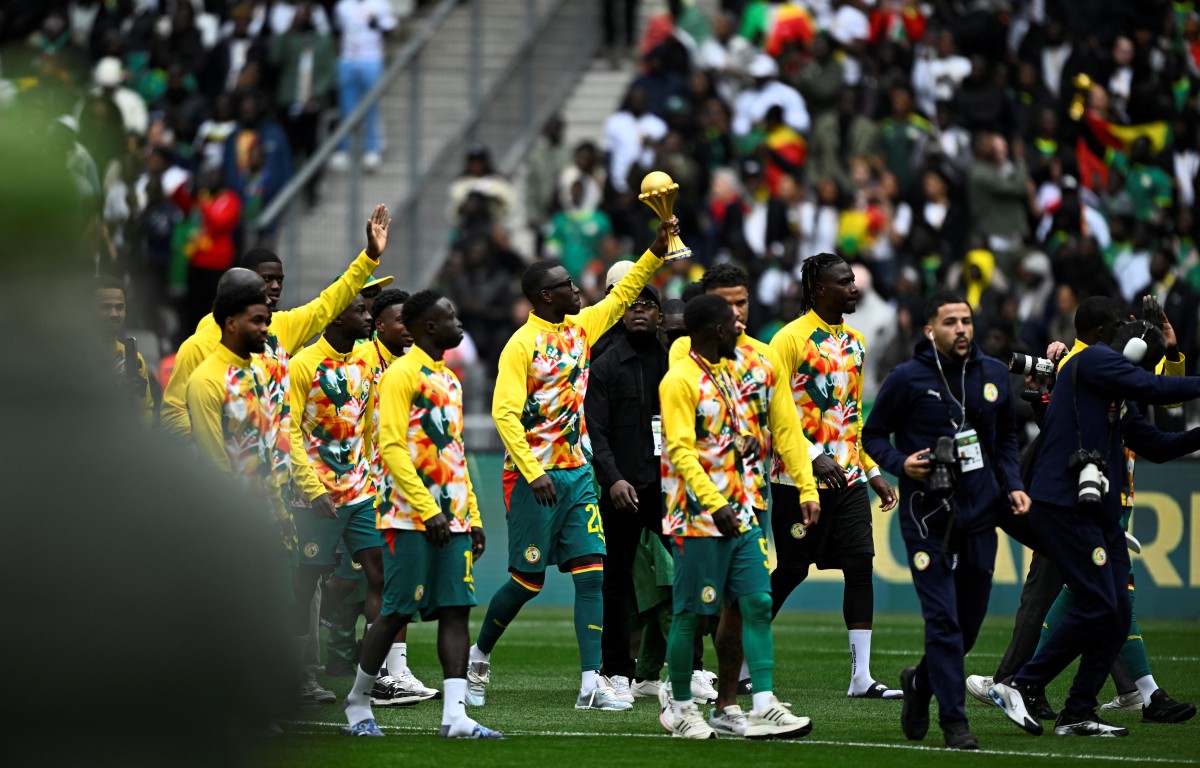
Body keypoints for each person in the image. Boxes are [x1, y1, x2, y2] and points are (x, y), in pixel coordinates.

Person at [466, 219, 675, 711]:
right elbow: (504, 413)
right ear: (544, 296)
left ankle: (590, 683)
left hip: (578, 473)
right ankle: (478, 655)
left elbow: (621, 297)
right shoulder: (521, 345)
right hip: (533, 477)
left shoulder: (580, 328)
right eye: (565, 285)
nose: (577, 289)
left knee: (593, 574)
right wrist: (533, 472)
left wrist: (655, 250)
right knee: (526, 582)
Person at [966, 296, 1192, 723]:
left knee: (1107, 603)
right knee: (1077, 598)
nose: (1130, 328)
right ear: (1103, 332)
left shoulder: (1114, 372)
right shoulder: (1088, 361)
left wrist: (1171, 350)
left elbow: (1156, 413)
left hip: (1105, 500)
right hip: (1069, 500)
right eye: (1122, 323)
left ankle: (1089, 701)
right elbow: (1151, 388)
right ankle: (1016, 683)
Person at [861, 291, 1030, 750]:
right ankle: (954, 724)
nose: (961, 329)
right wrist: (900, 462)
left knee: (967, 628)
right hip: (925, 519)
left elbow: (1006, 439)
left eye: (967, 321)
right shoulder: (906, 378)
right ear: (929, 329)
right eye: (950, 321)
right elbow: (872, 435)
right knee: (944, 624)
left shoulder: (993, 374)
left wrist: (1012, 483)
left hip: (980, 515)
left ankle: (918, 685)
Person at [666, 263, 822, 732]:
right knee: (697, 610)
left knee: (750, 604)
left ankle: (740, 705)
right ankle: (679, 705)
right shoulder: (683, 357)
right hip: (698, 508)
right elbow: (689, 434)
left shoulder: (763, 358)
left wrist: (806, 485)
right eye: (725, 305)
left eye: (742, 303)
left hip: (749, 501)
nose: (736, 314)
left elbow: (787, 429)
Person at [340, 290, 501, 739]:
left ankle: (455, 716)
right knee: (395, 612)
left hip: (451, 520)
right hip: (409, 519)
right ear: (428, 327)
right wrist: (429, 509)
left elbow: (454, 452)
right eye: (450, 315)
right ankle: (357, 705)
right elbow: (390, 446)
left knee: (456, 610)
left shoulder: (449, 379)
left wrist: (472, 516)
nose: (459, 321)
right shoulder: (400, 376)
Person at [768, 253, 899, 699]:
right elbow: (769, 407)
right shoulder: (788, 340)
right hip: (795, 480)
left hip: (849, 479)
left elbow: (851, 418)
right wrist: (810, 454)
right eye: (844, 282)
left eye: (853, 280)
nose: (854, 287)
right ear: (819, 289)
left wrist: (872, 470)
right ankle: (741, 658)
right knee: (791, 569)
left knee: (861, 567)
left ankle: (861, 677)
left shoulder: (856, 342)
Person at [289, 293, 425, 707]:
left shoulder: (366, 360)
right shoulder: (302, 365)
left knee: (381, 573)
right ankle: (296, 676)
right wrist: (311, 488)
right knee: (304, 584)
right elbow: (288, 430)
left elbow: (368, 423)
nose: (368, 319)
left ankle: (380, 676)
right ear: (334, 317)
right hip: (313, 498)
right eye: (361, 312)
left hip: (362, 490)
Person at [162, 205, 391, 440]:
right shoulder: (197, 345)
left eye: (279, 280)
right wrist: (216, 444)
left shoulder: (281, 326)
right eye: (266, 279)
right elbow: (173, 413)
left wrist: (369, 257)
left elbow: (328, 304)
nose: (274, 287)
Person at [584, 284, 670, 704]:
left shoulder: (675, 363)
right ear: (621, 314)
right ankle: (617, 671)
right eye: (632, 306)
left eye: (648, 306)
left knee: (689, 574)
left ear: (660, 316)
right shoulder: (604, 365)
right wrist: (613, 479)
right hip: (623, 489)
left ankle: (693, 669)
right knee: (615, 580)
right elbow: (595, 431)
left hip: (670, 486)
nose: (639, 312)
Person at [331, 0, 397, 171]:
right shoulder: (342, 6)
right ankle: (345, 149)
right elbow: (338, 30)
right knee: (346, 108)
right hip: (348, 60)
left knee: (372, 107)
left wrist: (377, 24)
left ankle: (372, 149)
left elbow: (390, 28)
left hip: (371, 59)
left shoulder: (380, 4)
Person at [96, 276, 153, 426]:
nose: (114, 314)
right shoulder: (76, 356)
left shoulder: (133, 359)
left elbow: (146, 410)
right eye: (105, 307)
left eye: (119, 307)